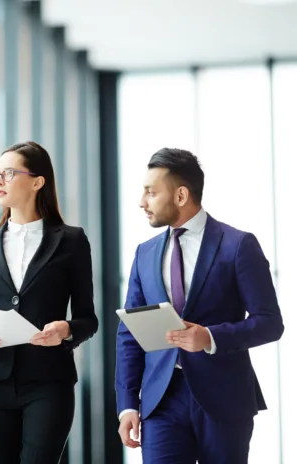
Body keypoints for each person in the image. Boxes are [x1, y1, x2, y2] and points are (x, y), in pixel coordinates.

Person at [116, 148, 284, 463]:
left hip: (224, 398)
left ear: (181, 195)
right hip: (160, 401)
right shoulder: (145, 254)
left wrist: (209, 337)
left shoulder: (238, 245)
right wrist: (127, 404)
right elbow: (129, 333)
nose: (142, 201)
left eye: (151, 192)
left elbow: (270, 322)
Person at [0, 141, 98, 464]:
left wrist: (66, 329)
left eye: (9, 173)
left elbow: (88, 318)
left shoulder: (71, 240)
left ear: (37, 181)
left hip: (49, 383)